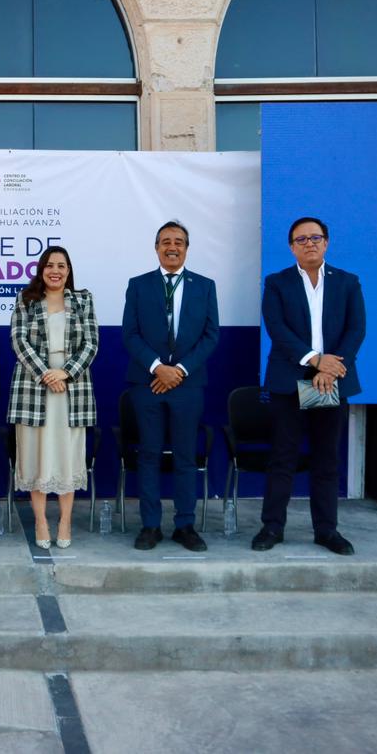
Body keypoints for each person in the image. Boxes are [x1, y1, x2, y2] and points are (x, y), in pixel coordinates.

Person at [253, 216, 366, 556]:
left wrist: (331, 368)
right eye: (301, 239)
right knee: (282, 457)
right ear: (292, 247)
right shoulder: (277, 283)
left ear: (326, 243)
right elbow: (277, 328)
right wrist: (316, 361)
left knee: (326, 458)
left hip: (329, 381)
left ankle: (326, 530)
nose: (309, 243)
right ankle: (272, 527)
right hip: (291, 380)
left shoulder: (347, 282)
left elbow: (356, 329)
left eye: (315, 237)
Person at [122, 220, 219, 552]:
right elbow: (130, 334)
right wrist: (158, 368)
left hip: (187, 384)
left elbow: (211, 335)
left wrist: (178, 371)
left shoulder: (204, 286)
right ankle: (150, 525)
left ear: (187, 248)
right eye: (165, 241)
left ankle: (185, 525)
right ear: (156, 247)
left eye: (178, 241)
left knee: (185, 456)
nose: (172, 247)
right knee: (149, 454)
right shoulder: (138, 285)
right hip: (147, 382)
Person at [7, 246, 98, 549]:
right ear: (41, 270)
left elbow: (91, 344)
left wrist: (65, 373)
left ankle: (65, 521)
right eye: (49, 265)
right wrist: (47, 374)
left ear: (68, 271)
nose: (55, 271)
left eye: (61, 265)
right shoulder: (26, 299)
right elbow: (18, 341)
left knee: (67, 456)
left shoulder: (83, 300)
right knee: (36, 455)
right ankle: (41, 521)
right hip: (34, 386)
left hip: (72, 389)